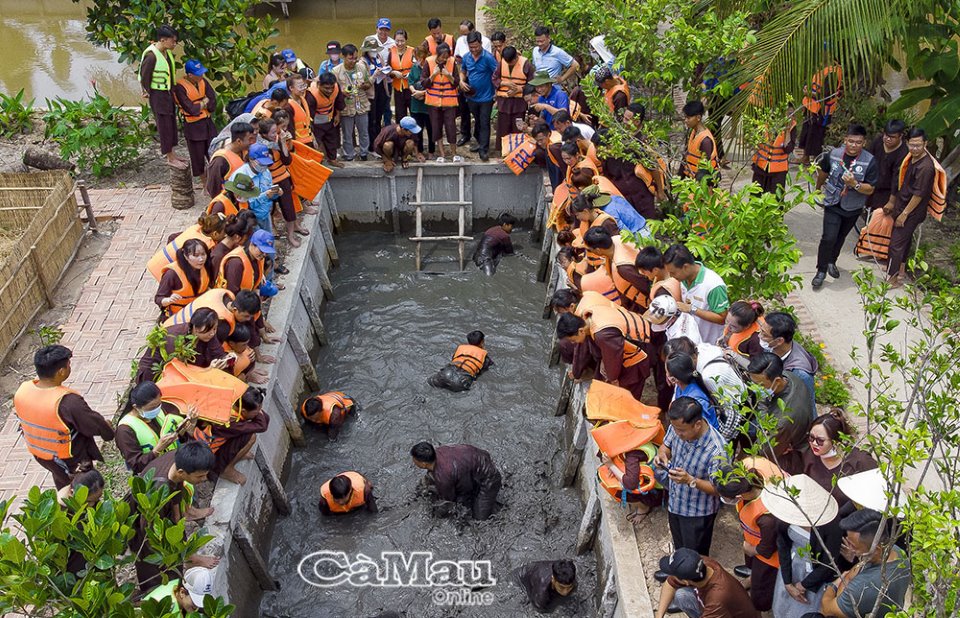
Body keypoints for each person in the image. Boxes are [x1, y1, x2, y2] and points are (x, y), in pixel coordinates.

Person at [13, 345, 115, 489]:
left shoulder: (23, 392)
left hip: (45, 456)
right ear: (61, 372)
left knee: (64, 485)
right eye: (68, 365)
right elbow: (92, 423)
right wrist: (108, 431)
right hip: (71, 460)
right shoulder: (67, 402)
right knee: (86, 491)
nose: (69, 368)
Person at [130, 441, 218, 593]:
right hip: (144, 524)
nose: (204, 479)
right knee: (158, 567)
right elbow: (150, 533)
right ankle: (155, 595)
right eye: (200, 476)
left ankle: (187, 557)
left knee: (177, 526)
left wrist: (178, 513)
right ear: (183, 472)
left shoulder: (176, 459)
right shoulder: (158, 491)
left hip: (162, 510)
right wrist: (169, 555)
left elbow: (177, 484)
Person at [652, 397, 726, 560]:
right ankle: (679, 570)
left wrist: (690, 480)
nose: (678, 433)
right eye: (675, 429)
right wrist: (662, 455)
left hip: (697, 512)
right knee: (679, 544)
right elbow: (666, 446)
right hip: (676, 502)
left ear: (697, 424)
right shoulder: (678, 426)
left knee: (695, 555)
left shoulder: (717, 451)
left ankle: (694, 582)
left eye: (682, 431)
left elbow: (719, 490)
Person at [765, 473, 845, 617]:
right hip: (792, 564)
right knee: (783, 604)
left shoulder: (831, 525)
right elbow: (783, 546)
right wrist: (788, 582)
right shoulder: (785, 516)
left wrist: (803, 585)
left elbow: (829, 562)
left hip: (815, 573)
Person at [811, 123, 878, 289]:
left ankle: (832, 261)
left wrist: (855, 184)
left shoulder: (870, 161)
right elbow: (823, 173)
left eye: (858, 142)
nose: (854, 145)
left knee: (840, 237)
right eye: (851, 141)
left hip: (853, 207)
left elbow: (870, 189)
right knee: (828, 237)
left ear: (864, 143)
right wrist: (817, 190)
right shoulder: (833, 155)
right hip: (833, 202)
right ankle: (821, 270)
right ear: (845, 140)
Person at [883, 127, 945, 287]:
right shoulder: (910, 158)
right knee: (904, 241)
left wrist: (904, 214)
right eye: (912, 145)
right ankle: (899, 270)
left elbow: (919, 194)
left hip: (911, 211)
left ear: (926, 143)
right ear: (907, 143)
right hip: (902, 204)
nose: (915, 149)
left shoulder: (925, 167)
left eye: (918, 145)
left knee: (896, 244)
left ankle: (892, 278)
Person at [820, 509, 911, 617]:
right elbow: (852, 573)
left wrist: (833, 585)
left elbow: (827, 609)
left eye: (854, 546)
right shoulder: (896, 551)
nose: (850, 549)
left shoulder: (865, 585)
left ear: (876, 550)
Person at [556, 307, 652, 401]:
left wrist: (613, 380)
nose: (574, 343)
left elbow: (613, 360)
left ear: (581, 331)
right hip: (634, 337)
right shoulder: (588, 315)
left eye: (573, 340)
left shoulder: (602, 336)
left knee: (625, 397)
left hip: (637, 357)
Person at [716, 470, 779, 612]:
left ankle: (757, 606)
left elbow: (768, 549)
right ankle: (752, 579)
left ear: (738, 496)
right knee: (753, 569)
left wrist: (751, 550)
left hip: (767, 557)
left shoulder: (767, 519)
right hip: (752, 542)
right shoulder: (747, 480)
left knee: (761, 589)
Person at [746, 352, 815, 474]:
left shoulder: (782, 421)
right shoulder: (790, 377)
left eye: (759, 385)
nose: (755, 388)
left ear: (777, 380)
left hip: (789, 458)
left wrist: (761, 401)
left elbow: (763, 451)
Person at [804, 410, 877, 515]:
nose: (814, 443)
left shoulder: (860, 462)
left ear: (835, 441)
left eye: (820, 440)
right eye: (811, 437)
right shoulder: (808, 455)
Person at [116, 381, 198, 475]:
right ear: (136, 407)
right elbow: (136, 465)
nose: (157, 409)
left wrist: (186, 429)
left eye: (159, 404)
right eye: (152, 407)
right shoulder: (125, 430)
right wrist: (157, 450)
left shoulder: (160, 412)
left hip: (174, 466)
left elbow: (176, 438)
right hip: (155, 475)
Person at [193, 386, 269, 485]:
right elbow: (262, 426)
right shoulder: (230, 422)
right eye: (256, 413)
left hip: (215, 442)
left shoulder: (231, 403)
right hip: (210, 456)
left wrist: (257, 408)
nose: (259, 413)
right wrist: (259, 410)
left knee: (246, 431)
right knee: (250, 437)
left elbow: (265, 419)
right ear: (244, 412)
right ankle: (226, 469)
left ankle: (236, 454)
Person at [600, 105, 666, 220]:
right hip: (621, 191)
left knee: (646, 224)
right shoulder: (618, 136)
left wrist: (660, 191)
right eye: (624, 118)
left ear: (636, 121)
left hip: (640, 193)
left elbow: (653, 167)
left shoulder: (643, 142)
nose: (623, 121)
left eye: (627, 119)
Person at [656, 548, 759, 618]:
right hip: (716, 608)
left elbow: (716, 602)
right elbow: (669, 584)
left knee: (682, 596)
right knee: (681, 595)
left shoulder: (717, 599)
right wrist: (659, 615)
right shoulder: (702, 563)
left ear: (686, 581)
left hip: (724, 611)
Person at [410, 441, 502, 520]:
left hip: (490, 479)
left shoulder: (443, 477)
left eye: (414, 459)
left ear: (423, 464)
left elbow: (450, 500)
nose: (413, 461)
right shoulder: (440, 450)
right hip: (481, 459)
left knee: (480, 519)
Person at [134, 308, 230, 383]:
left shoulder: (207, 334)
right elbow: (180, 371)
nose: (213, 333)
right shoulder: (174, 340)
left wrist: (227, 359)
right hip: (158, 372)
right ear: (196, 329)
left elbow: (218, 352)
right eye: (209, 330)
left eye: (215, 329)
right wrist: (207, 370)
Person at [662, 243, 729, 345]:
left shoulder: (713, 285)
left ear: (685, 267)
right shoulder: (683, 279)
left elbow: (722, 318)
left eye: (673, 273)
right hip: (692, 341)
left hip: (710, 344)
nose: (671, 276)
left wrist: (692, 309)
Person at [139, 25, 186, 169]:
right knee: (164, 125)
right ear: (163, 40)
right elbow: (144, 76)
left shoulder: (166, 52)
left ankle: (173, 153)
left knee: (171, 123)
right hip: (158, 95)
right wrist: (147, 91)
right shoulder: (151, 56)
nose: (174, 44)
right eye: (173, 41)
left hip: (168, 93)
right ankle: (170, 157)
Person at [258, 116, 305, 246]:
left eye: (276, 132)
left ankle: (290, 234)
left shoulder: (279, 140)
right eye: (272, 133)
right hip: (269, 182)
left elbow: (287, 160)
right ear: (263, 134)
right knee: (270, 208)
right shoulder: (260, 147)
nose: (275, 135)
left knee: (288, 208)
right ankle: (272, 227)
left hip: (282, 178)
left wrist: (283, 143)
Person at [581, 227, 649, 312]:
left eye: (590, 250)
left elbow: (645, 287)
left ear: (598, 250)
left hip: (643, 303)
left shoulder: (623, 268)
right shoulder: (617, 238)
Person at [758, 311, 818, 405]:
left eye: (764, 334)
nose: (760, 336)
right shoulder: (772, 347)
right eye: (761, 330)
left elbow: (808, 403)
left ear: (779, 341)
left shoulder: (799, 373)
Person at [173, 59, 218, 180]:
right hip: (193, 127)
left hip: (207, 123)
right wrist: (204, 102)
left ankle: (216, 179)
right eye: (198, 74)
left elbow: (212, 100)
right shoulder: (180, 87)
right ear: (190, 75)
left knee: (214, 151)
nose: (201, 76)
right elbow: (191, 109)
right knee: (197, 157)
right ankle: (204, 182)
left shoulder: (203, 82)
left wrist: (201, 104)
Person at [459, 31, 498, 161]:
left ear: (481, 44)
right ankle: (480, 141)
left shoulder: (488, 58)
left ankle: (484, 150)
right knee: (478, 120)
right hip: (472, 96)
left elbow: (497, 74)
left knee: (485, 122)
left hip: (486, 97)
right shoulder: (466, 57)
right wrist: (462, 81)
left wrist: (497, 93)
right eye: (471, 48)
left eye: (476, 47)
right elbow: (463, 71)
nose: (474, 50)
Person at [333, 44, 374, 162]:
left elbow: (368, 83)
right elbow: (333, 91)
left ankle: (364, 153)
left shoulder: (361, 67)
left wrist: (363, 85)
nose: (353, 61)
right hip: (346, 106)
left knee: (364, 132)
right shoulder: (336, 71)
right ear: (343, 57)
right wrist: (342, 92)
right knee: (347, 134)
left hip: (361, 104)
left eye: (355, 58)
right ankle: (348, 155)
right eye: (350, 58)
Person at [422, 43, 461, 163]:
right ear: (437, 55)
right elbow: (424, 83)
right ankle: (442, 154)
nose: (444, 59)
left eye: (446, 57)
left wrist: (448, 75)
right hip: (434, 102)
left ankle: (454, 153)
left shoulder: (452, 62)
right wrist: (433, 75)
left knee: (451, 127)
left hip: (449, 102)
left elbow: (456, 82)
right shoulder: (428, 62)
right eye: (442, 57)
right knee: (436, 127)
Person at [797, 62, 843, 165]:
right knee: (806, 132)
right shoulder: (825, 68)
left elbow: (825, 95)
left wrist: (809, 93)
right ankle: (805, 156)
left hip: (820, 110)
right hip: (811, 106)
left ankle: (813, 160)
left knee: (814, 135)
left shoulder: (834, 73)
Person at [230, 143, 281, 233]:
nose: (264, 167)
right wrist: (265, 195)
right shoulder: (241, 176)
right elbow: (244, 203)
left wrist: (276, 193)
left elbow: (269, 192)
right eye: (261, 164)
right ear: (251, 159)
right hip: (249, 220)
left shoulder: (266, 172)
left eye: (266, 164)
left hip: (265, 215)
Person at [154, 239, 212, 318]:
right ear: (186, 256)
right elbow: (158, 299)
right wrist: (169, 300)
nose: (201, 259)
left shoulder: (205, 267)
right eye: (196, 255)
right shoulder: (172, 274)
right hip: (177, 316)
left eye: (203, 254)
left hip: (199, 313)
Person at [493, 46, 534, 144]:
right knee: (503, 128)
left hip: (519, 104)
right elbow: (494, 78)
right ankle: (503, 150)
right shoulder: (502, 63)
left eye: (511, 62)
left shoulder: (526, 64)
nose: (508, 63)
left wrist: (520, 89)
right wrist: (504, 83)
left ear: (516, 58)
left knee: (518, 128)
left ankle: (517, 149)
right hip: (504, 103)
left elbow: (532, 83)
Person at [428, 330, 493, 392]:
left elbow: (454, 359)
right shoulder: (485, 358)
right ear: (482, 342)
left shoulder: (460, 349)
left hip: (446, 373)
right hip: (460, 380)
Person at [205, 121, 256, 198]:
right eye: (250, 139)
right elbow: (213, 187)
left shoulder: (245, 152)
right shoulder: (220, 160)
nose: (252, 142)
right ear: (239, 141)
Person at [866, 120, 909, 211]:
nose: (888, 139)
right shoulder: (878, 141)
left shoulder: (903, 153)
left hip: (887, 191)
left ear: (900, 136)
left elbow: (897, 179)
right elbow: (867, 158)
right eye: (886, 135)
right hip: (870, 184)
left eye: (892, 137)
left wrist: (891, 202)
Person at [306, 71, 346, 168]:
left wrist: (338, 115)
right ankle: (317, 160)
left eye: (331, 87)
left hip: (330, 118)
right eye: (326, 88)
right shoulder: (311, 95)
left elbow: (339, 101)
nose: (330, 90)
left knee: (332, 139)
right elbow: (308, 116)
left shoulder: (336, 87)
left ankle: (332, 159)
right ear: (319, 84)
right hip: (316, 122)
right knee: (317, 142)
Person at [217, 229, 275, 294]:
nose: (264, 255)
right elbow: (232, 293)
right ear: (252, 244)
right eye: (262, 250)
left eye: (267, 252)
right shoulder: (236, 263)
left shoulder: (258, 257)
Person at [751, 113, 797, 194]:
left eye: (791, 114)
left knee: (776, 200)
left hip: (778, 170)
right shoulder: (764, 119)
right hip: (761, 166)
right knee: (755, 196)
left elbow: (788, 149)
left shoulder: (791, 127)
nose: (790, 116)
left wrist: (787, 131)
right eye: (788, 113)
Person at [143, 566, 214, 614]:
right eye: (195, 600)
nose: (197, 607)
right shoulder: (167, 606)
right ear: (182, 592)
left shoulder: (175, 585)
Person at [679, 100, 719, 183]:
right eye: (685, 117)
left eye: (688, 118)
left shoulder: (705, 141)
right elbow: (686, 157)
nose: (686, 120)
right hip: (690, 178)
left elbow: (705, 170)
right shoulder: (693, 132)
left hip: (701, 184)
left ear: (698, 118)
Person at [361, 35, 390, 141]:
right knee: (371, 120)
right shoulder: (363, 62)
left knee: (379, 118)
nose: (374, 52)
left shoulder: (379, 57)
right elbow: (364, 82)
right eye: (371, 50)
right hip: (370, 94)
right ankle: (371, 145)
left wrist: (385, 70)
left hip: (381, 89)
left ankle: (378, 142)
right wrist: (375, 75)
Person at [408, 44, 435, 155]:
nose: (420, 61)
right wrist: (414, 91)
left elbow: (434, 86)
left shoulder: (431, 67)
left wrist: (423, 93)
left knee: (431, 128)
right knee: (417, 129)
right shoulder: (414, 67)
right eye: (418, 58)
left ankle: (431, 151)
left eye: (422, 58)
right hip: (416, 103)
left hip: (428, 103)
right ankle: (419, 151)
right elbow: (410, 82)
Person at [371, 18, 397, 129]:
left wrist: (389, 69)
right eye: (381, 29)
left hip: (387, 79)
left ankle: (387, 128)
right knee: (373, 105)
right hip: (373, 78)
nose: (383, 32)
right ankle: (375, 127)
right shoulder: (370, 40)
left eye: (386, 30)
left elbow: (395, 60)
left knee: (386, 105)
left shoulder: (393, 43)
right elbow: (365, 57)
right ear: (377, 29)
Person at [388, 29, 415, 120]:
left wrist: (410, 74)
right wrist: (393, 72)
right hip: (398, 88)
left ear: (406, 40)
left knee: (414, 114)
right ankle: (401, 133)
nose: (399, 43)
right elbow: (387, 69)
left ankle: (415, 133)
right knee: (400, 115)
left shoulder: (413, 51)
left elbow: (419, 68)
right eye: (397, 41)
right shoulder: (390, 51)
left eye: (402, 41)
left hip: (411, 88)